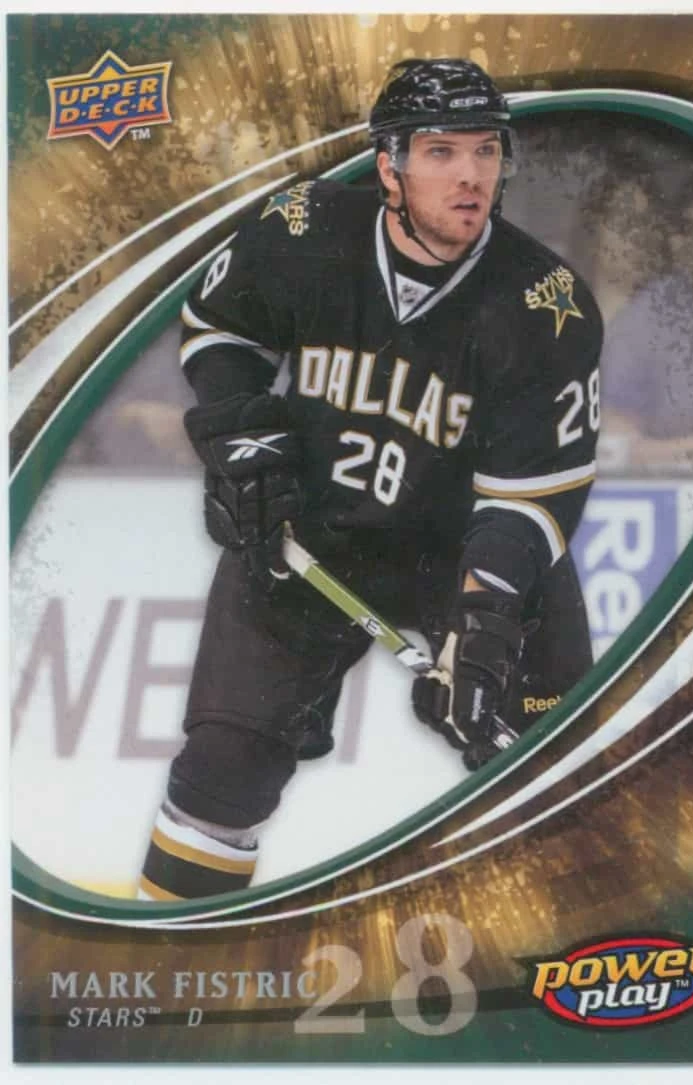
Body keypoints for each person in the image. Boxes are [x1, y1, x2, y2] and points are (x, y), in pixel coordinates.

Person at [138, 58, 603, 902]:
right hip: (307, 533)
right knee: (219, 775)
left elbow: (528, 501)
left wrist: (486, 619)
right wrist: (243, 437)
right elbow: (219, 325)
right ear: (387, 165)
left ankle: (580, 968)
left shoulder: (543, 306)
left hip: (464, 552)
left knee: (562, 788)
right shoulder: (300, 229)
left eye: (485, 150)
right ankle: (169, 961)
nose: (470, 175)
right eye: (440, 151)